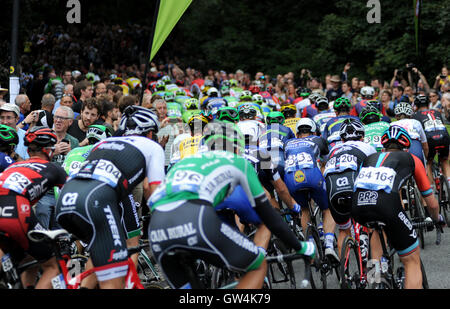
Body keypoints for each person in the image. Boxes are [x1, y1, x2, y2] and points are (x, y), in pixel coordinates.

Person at [147, 121, 315, 289]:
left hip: (157, 228)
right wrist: (300, 246)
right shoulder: (238, 161)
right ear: (236, 148)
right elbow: (268, 215)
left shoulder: (185, 162)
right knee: (258, 265)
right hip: (196, 219)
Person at [55, 105, 165, 289]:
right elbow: (150, 188)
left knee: (102, 252)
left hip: (67, 197)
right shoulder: (152, 146)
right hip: (96, 199)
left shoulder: (102, 144)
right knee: (115, 273)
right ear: (151, 133)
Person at [352, 125, 443, 289]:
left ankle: (376, 280)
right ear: (406, 147)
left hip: (359, 205)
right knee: (411, 259)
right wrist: (437, 219)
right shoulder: (411, 159)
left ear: (383, 146)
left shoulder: (370, 158)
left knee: (375, 231)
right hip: (386, 206)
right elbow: (431, 202)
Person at [0, 126, 67, 289]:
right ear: (49, 151)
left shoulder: (14, 166)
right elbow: (74, 195)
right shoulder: (53, 168)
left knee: (30, 259)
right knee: (54, 265)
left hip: (6, 207)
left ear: (29, 151)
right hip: (16, 209)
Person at [283, 118, 338, 261]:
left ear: (297, 133)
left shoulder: (288, 142)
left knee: (305, 209)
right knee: (327, 209)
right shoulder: (318, 139)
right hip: (312, 175)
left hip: (291, 178)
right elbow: (327, 162)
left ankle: (310, 246)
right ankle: (329, 246)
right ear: (313, 131)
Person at [324, 118, 376, 260]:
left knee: (343, 230)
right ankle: (370, 263)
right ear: (362, 136)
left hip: (333, 189)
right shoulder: (368, 147)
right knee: (371, 219)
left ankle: (344, 274)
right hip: (353, 185)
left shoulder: (333, 150)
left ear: (341, 139)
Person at [413, 94, 450, 190]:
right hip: (444, 136)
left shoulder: (415, 116)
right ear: (428, 103)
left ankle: (431, 188)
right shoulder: (437, 111)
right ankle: (449, 183)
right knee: (444, 160)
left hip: (430, 138)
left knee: (428, 163)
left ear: (416, 105)